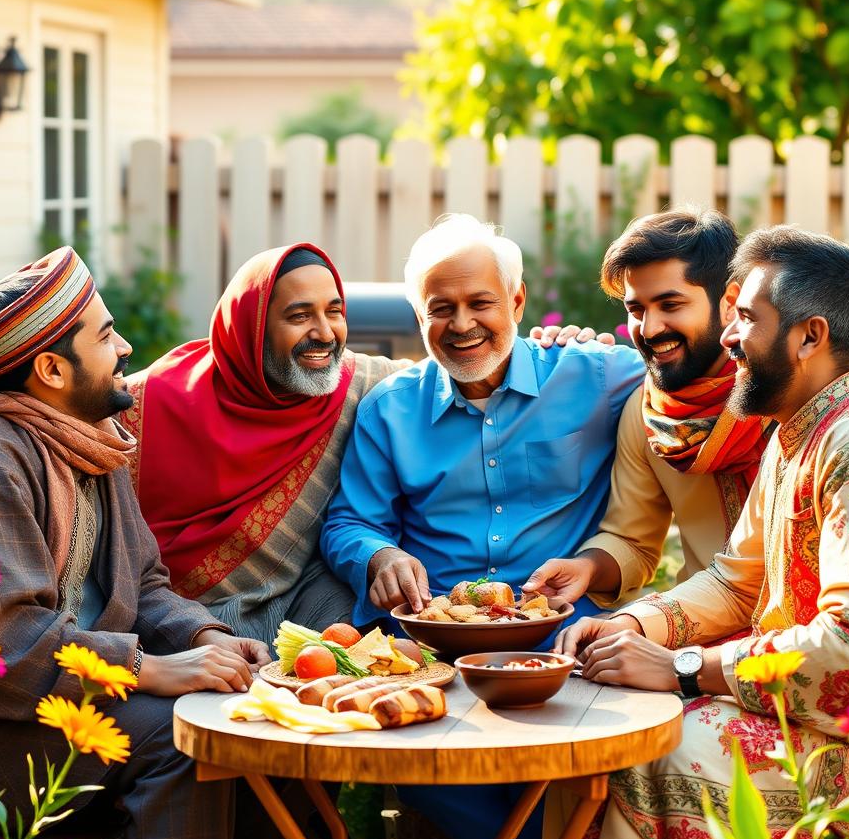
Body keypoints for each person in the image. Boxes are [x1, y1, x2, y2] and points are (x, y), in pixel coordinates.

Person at [554, 227, 849, 839]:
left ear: (809, 336)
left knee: (650, 746)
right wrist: (637, 628)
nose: (729, 338)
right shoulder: (802, 430)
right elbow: (740, 582)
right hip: (801, 707)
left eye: (747, 320)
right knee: (589, 726)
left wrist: (684, 669)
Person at [0, 248, 270, 839]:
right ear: (51, 368)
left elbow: (146, 586)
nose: (127, 346)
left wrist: (202, 639)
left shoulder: (88, 440)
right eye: (105, 336)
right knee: (184, 735)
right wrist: (147, 669)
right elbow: (0, 643)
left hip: (60, 705)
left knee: (239, 707)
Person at [319, 213, 645, 839]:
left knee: (588, 751)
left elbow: (689, 378)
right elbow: (350, 521)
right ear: (420, 316)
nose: (462, 324)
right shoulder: (390, 409)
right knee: (405, 751)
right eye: (442, 309)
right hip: (424, 639)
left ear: (518, 303)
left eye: (480, 303)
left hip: (560, 630)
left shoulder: (601, 376)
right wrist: (376, 557)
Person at [122, 242, 593, 644]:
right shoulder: (151, 403)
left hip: (302, 607)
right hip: (171, 616)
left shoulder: (360, 387)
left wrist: (541, 346)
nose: (325, 334)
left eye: (334, 312)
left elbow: (461, 370)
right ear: (252, 326)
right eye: (299, 316)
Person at [523, 206, 774, 608]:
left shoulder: (784, 396)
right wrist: (586, 568)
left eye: (670, 305)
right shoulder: (649, 411)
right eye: (636, 309)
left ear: (730, 302)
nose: (650, 328)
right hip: (695, 627)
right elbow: (632, 540)